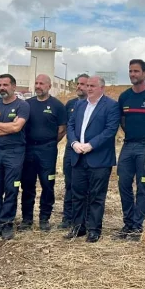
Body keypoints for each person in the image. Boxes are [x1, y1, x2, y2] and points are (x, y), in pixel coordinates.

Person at [65, 75, 120, 243]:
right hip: (78, 157)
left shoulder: (111, 106)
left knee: (96, 196)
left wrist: (90, 145)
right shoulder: (79, 104)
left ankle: (94, 230)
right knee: (78, 194)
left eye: (92, 86)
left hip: (99, 159)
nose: (88, 88)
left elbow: (110, 130)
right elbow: (71, 125)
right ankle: (78, 227)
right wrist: (74, 142)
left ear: (101, 88)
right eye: (87, 85)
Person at [0, 74, 30, 242]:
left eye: (6, 85)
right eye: (0, 85)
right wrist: (7, 127)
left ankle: (7, 224)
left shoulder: (22, 106)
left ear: (13, 87)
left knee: (11, 189)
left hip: (15, 152)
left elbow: (17, 128)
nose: (2, 88)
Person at [113, 59, 145, 241]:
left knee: (143, 187)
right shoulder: (124, 97)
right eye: (130, 71)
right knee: (123, 184)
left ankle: (137, 227)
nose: (133, 74)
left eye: (136, 71)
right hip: (128, 146)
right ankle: (128, 223)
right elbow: (122, 121)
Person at [20, 74, 66, 231]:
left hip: (47, 150)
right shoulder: (27, 104)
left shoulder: (57, 105)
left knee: (47, 185)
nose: (38, 86)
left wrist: (50, 142)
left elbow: (62, 130)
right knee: (27, 185)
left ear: (49, 86)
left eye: (41, 83)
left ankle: (44, 218)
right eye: (36, 83)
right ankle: (26, 219)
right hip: (28, 150)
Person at [59, 73, 89, 229]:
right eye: (78, 84)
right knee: (69, 184)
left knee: (85, 186)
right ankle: (68, 217)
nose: (79, 86)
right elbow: (65, 127)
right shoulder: (70, 104)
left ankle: (85, 217)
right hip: (71, 150)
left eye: (83, 84)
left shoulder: (93, 104)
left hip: (88, 151)